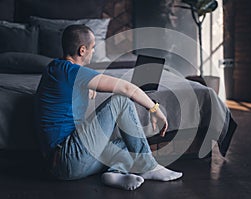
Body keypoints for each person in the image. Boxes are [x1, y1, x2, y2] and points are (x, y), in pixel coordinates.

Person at [35, 24, 182, 191]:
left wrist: (87, 89)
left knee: (127, 142)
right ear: (82, 50)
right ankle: (148, 166)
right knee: (121, 101)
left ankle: (114, 173)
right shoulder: (73, 73)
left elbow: (66, 94)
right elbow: (126, 89)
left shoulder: (54, 68)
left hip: (60, 165)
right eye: (93, 48)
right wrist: (155, 109)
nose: (93, 52)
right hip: (67, 158)